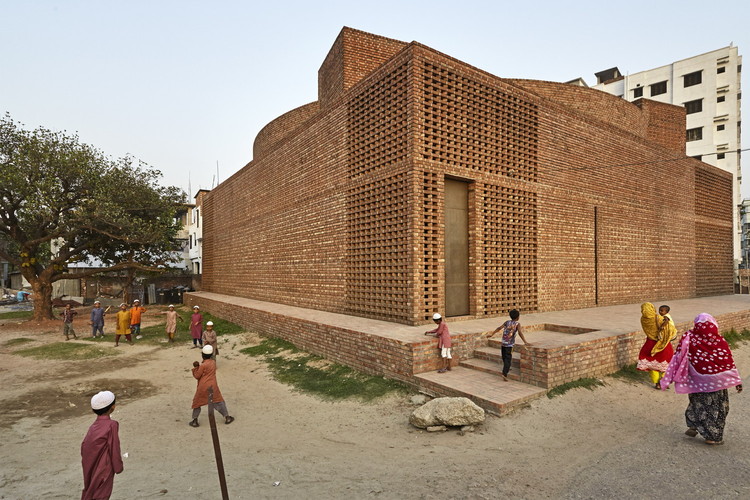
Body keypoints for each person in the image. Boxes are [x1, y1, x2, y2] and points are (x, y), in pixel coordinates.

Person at [661, 313, 743, 445]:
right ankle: (712, 437)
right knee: (716, 409)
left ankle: (694, 425)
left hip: (697, 382)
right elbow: (728, 362)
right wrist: (736, 380)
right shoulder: (719, 341)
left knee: (697, 403)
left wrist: (668, 378)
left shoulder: (689, 338)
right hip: (718, 383)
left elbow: (678, 357)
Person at [80, 390, 124, 500]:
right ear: (113, 407)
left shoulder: (93, 426)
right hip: (104, 465)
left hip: (90, 463)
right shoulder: (112, 425)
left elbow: (85, 446)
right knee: (102, 493)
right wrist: (118, 466)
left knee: (91, 488)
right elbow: (114, 447)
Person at [189, 344, 234, 427]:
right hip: (213, 385)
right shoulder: (213, 362)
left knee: (197, 403)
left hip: (202, 386)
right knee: (218, 401)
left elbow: (197, 376)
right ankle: (227, 417)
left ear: (202, 355)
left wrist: (196, 367)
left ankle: (195, 420)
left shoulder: (203, 365)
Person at [637, 303, 677, 389]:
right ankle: (663, 380)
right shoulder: (659, 318)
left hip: (650, 343)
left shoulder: (643, 319)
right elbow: (670, 329)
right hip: (662, 343)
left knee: (652, 363)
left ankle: (657, 382)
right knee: (667, 361)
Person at [489, 309, 532, 381]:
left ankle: (506, 368)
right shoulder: (517, 324)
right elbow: (520, 333)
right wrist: (525, 341)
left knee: (504, 357)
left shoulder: (507, 322)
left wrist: (492, 334)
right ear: (518, 317)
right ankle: (504, 373)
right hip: (509, 345)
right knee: (508, 359)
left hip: (503, 343)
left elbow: (499, 328)